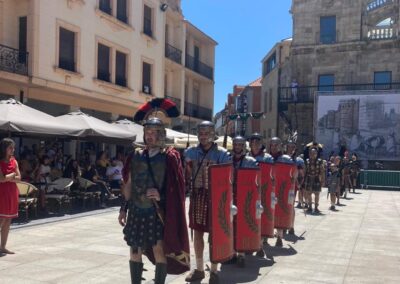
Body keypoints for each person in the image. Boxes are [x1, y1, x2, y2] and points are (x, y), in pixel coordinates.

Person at [120, 117, 189, 284]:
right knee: (134, 251)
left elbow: (176, 188)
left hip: (156, 211)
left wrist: (160, 195)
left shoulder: (169, 157)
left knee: (159, 250)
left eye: (153, 133)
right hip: (136, 210)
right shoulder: (135, 155)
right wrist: (123, 208)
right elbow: (128, 183)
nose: (149, 136)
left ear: (161, 134)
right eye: (147, 132)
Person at [184, 121, 231, 284]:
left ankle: (214, 270)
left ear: (212, 134)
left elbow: (227, 179)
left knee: (215, 235)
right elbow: (186, 172)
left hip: (215, 199)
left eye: (206, 133)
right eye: (201, 133)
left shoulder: (222, 154)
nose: (203, 136)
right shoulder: (190, 152)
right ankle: (199, 269)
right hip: (197, 197)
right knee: (197, 234)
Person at [226, 135, 257, 268]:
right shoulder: (227, 159)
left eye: (240, 145)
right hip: (230, 196)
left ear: (244, 146)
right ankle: (231, 252)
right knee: (230, 225)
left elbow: (255, 181)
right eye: (236, 144)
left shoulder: (251, 161)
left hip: (244, 198)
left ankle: (241, 254)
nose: (237, 147)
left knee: (242, 225)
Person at [248, 132, 273, 256]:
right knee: (249, 217)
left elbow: (271, 176)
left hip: (263, 192)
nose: (254, 145)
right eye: (252, 142)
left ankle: (260, 245)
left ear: (261, 144)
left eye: (257, 142)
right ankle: (249, 243)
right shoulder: (246, 156)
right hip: (248, 193)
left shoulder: (267, 158)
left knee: (261, 217)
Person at [269, 137, 293, 247]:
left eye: (276, 145)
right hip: (268, 189)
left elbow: (292, 174)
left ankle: (279, 236)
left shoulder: (286, 159)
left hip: (280, 189)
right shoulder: (266, 158)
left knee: (279, 211)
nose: (274, 147)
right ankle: (264, 237)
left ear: (280, 146)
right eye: (272, 145)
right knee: (266, 213)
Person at [0, 138, 21, 254]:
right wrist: (12, 174)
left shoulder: (14, 161)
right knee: (1, 219)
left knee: (8, 220)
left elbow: (19, 178)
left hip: (12, 192)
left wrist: (8, 177)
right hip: (1, 193)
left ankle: (2, 246)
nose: (13, 150)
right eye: (10, 147)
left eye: (13, 147)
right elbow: (1, 179)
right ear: (4, 149)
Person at [286, 140, 304, 235]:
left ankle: (291, 226)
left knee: (291, 205)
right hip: (282, 186)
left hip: (292, 187)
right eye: (289, 146)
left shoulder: (297, 161)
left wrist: (300, 183)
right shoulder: (282, 158)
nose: (290, 148)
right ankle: (283, 225)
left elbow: (301, 174)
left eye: (292, 147)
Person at [304, 147, 325, 214]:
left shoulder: (319, 161)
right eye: (311, 153)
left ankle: (316, 207)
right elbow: (305, 171)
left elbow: (322, 171)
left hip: (316, 178)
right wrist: (303, 180)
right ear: (309, 154)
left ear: (316, 154)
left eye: (314, 153)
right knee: (308, 194)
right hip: (309, 178)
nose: (312, 154)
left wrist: (322, 180)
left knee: (317, 194)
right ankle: (310, 207)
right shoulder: (307, 161)